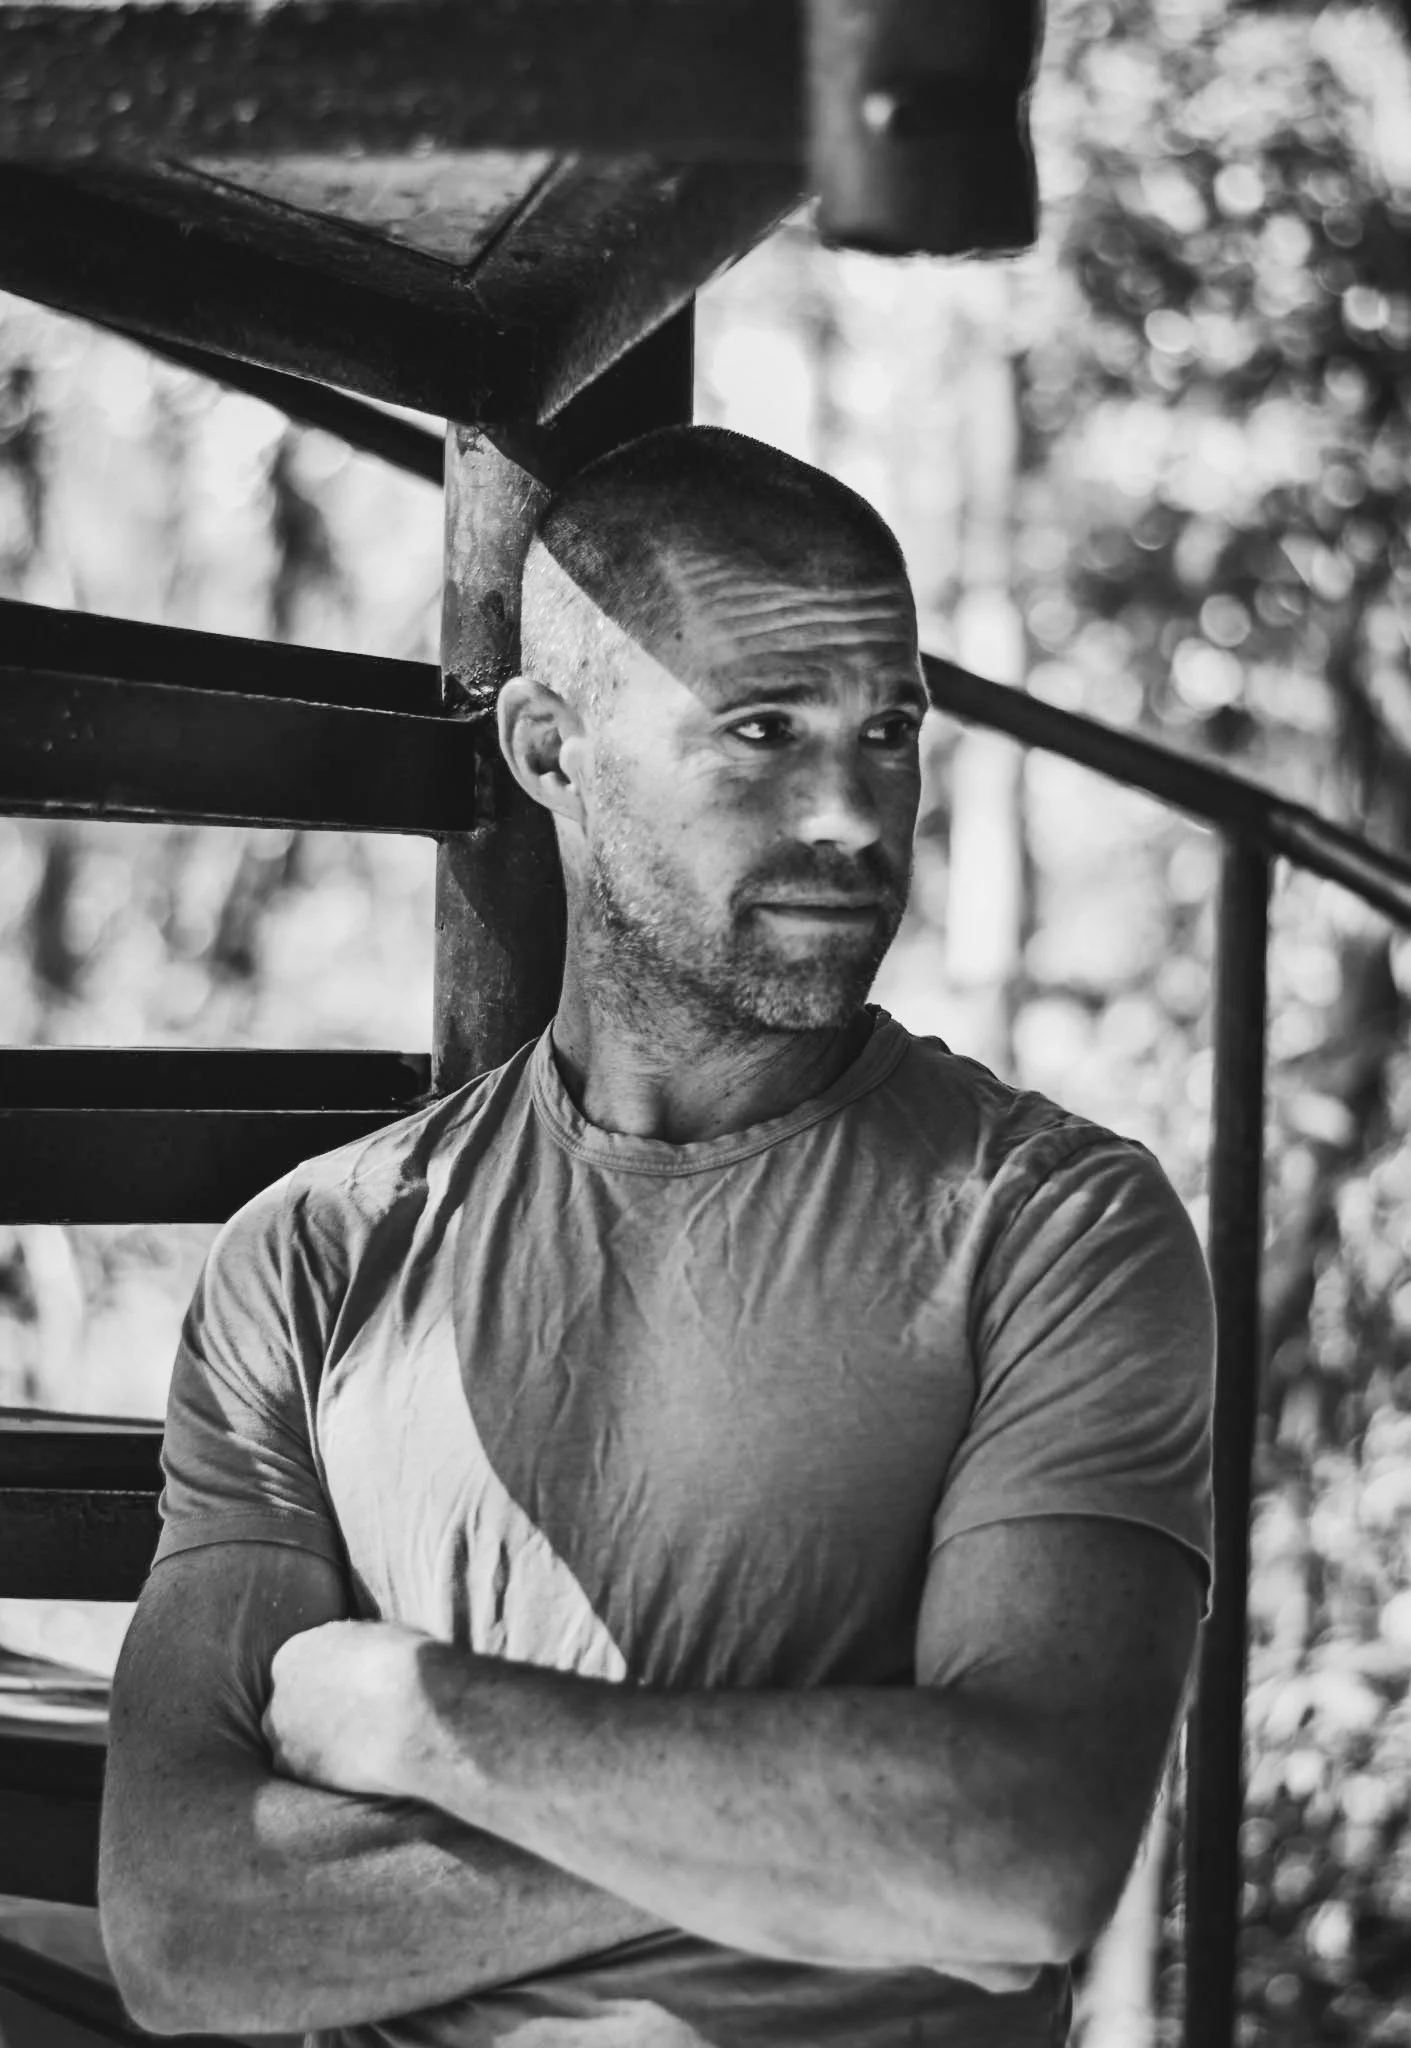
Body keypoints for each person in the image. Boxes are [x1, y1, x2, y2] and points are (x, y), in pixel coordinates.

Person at [98, 425, 1214, 2048]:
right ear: (551, 750)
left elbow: (1016, 1859)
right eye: (762, 729)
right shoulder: (317, 1257)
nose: (851, 811)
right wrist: (826, 1848)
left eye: (888, 731)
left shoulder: (1052, 1224)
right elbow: (185, 1932)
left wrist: (425, 1723)